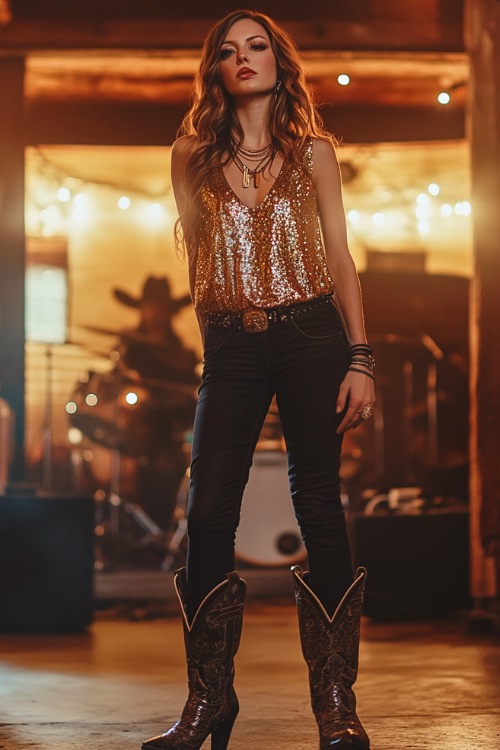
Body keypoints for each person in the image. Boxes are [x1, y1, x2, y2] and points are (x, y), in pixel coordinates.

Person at [142, 9, 375, 750]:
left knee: (319, 504)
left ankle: (336, 704)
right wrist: (222, 323)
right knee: (208, 509)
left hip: (312, 336)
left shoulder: (315, 155)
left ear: (280, 61)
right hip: (231, 345)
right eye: (228, 51)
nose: (244, 59)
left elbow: (340, 260)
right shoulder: (189, 153)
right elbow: (196, 258)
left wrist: (361, 357)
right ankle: (209, 701)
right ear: (215, 70)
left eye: (258, 46)